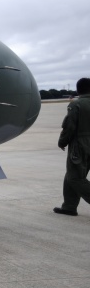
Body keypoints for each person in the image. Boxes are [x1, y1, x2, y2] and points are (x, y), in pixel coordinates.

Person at [54, 77, 90, 216]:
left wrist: (62, 141)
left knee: (75, 178)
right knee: (71, 174)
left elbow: (70, 126)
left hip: (81, 144)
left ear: (78, 90)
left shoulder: (76, 105)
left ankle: (69, 206)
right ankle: (69, 206)